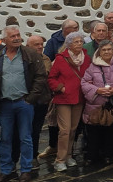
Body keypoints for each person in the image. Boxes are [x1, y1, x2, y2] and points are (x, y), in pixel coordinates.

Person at [0, 26, 47, 182]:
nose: (16, 38)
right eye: (12, 36)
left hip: (23, 103)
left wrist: (30, 99)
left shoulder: (30, 55)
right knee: (5, 138)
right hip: (5, 104)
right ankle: (7, 170)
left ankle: (26, 170)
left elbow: (41, 77)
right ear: (4, 40)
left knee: (25, 137)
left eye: (18, 35)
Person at [46, 31, 89, 172]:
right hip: (64, 98)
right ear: (69, 44)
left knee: (73, 129)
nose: (79, 44)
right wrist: (60, 88)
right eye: (76, 42)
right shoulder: (60, 59)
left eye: (80, 41)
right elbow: (51, 78)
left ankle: (69, 155)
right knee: (64, 130)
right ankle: (60, 159)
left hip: (79, 98)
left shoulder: (86, 58)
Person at [81, 40, 113, 165]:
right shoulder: (92, 66)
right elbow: (84, 82)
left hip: (111, 104)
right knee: (93, 132)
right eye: (104, 50)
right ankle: (92, 156)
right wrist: (97, 90)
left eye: (109, 49)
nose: (107, 52)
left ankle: (108, 155)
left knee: (111, 131)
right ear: (99, 52)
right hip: (95, 104)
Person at [24, 35, 52, 161]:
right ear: (28, 46)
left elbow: (42, 75)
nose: (40, 47)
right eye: (36, 44)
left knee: (35, 130)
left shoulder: (45, 59)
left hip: (40, 100)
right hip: (24, 99)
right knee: (23, 130)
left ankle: (33, 155)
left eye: (41, 44)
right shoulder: (21, 58)